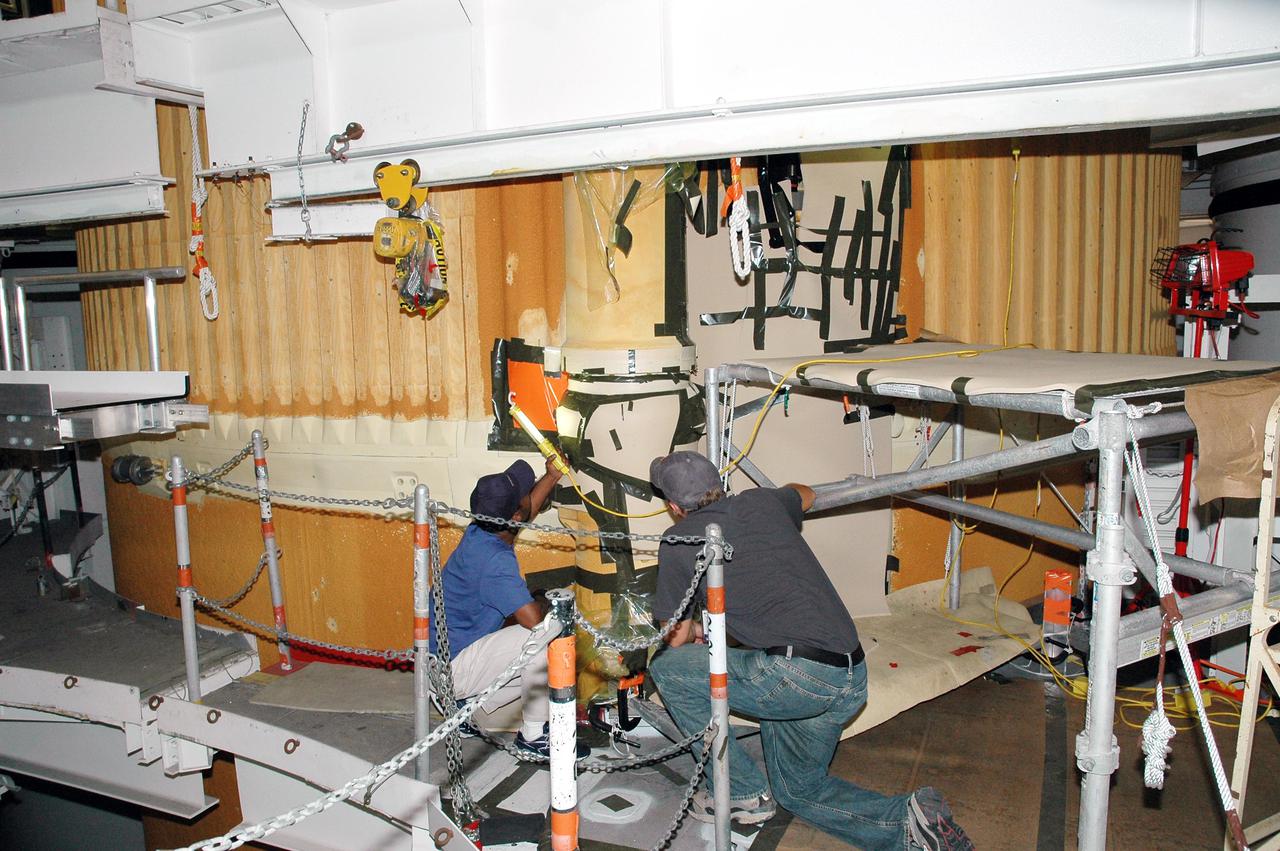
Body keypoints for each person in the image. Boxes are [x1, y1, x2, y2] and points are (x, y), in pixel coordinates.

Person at [646, 451, 974, 851]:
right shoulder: (761, 501)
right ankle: (911, 823)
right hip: (849, 674)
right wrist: (780, 496)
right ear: (719, 484)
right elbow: (806, 494)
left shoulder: (680, 538)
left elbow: (676, 639)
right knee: (797, 790)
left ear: (673, 507)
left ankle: (741, 791)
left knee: (668, 667)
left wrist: (692, 629)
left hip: (795, 677)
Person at [430, 456, 586, 758]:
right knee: (545, 635)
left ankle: (464, 710)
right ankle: (534, 736)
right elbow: (532, 620)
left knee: (531, 634)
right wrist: (544, 599)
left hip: (442, 660)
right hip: (452, 672)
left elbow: (521, 514)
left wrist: (551, 477)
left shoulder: (481, 529)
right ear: (513, 514)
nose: (531, 495)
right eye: (526, 495)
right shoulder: (495, 561)